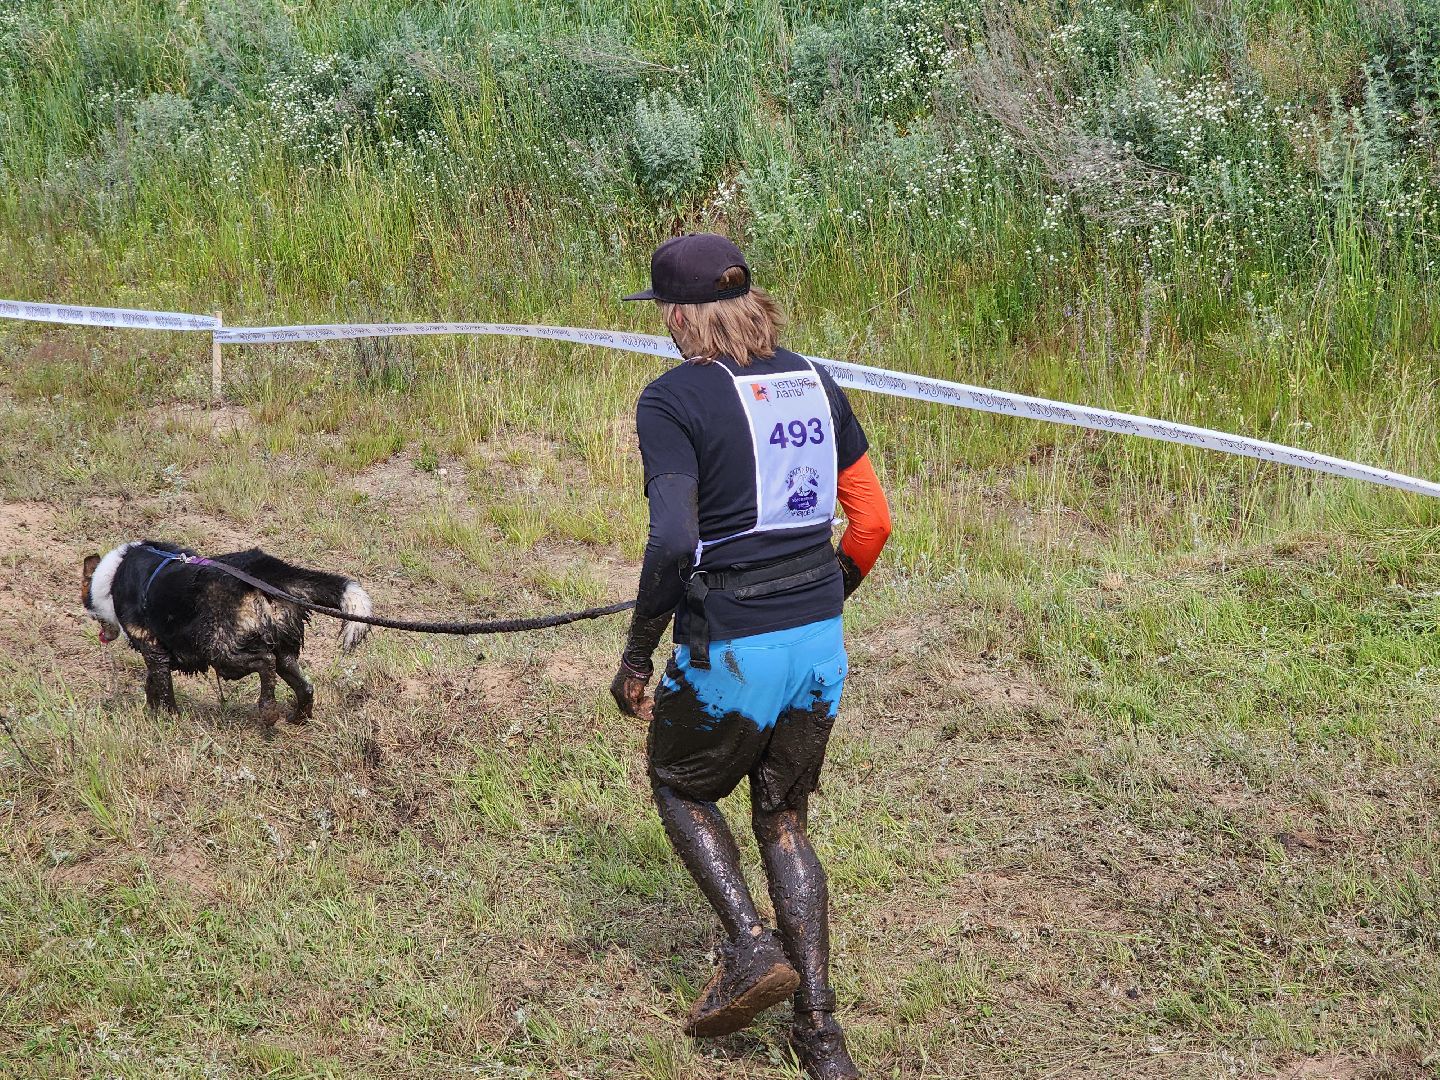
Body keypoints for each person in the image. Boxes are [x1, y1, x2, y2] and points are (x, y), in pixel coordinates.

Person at [610, 234, 891, 1079]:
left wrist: (636, 655)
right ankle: (822, 1036)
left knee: (679, 783)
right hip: (818, 645)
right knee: (784, 818)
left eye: (664, 308)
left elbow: (674, 539)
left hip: (730, 644)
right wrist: (818, 593)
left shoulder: (669, 401)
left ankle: (748, 944)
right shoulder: (815, 380)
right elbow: (872, 522)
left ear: (682, 315)